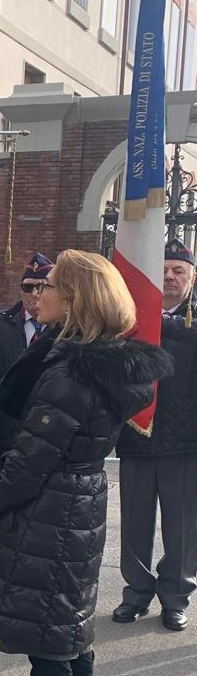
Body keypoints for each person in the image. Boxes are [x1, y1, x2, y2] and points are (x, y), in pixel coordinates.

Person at [0, 249, 172, 675]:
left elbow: (31, 460)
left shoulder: (71, 374)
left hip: (51, 508)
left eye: (47, 286)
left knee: (50, 639)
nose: (38, 292)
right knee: (66, 627)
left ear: (73, 298)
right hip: (72, 503)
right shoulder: (84, 362)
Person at [112, 238, 197, 632]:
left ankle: (176, 596)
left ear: (192, 277)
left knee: (181, 526)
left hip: (186, 441)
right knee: (136, 521)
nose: (169, 276)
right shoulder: (131, 321)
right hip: (138, 434)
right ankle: (136, 592)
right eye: (163, 270)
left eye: (178, 270)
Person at [0, 253, 54, 475]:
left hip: (48, 436)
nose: (34, 293)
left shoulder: (66, 330)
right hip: (4, 436)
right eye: (28, 286)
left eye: (41, 286)